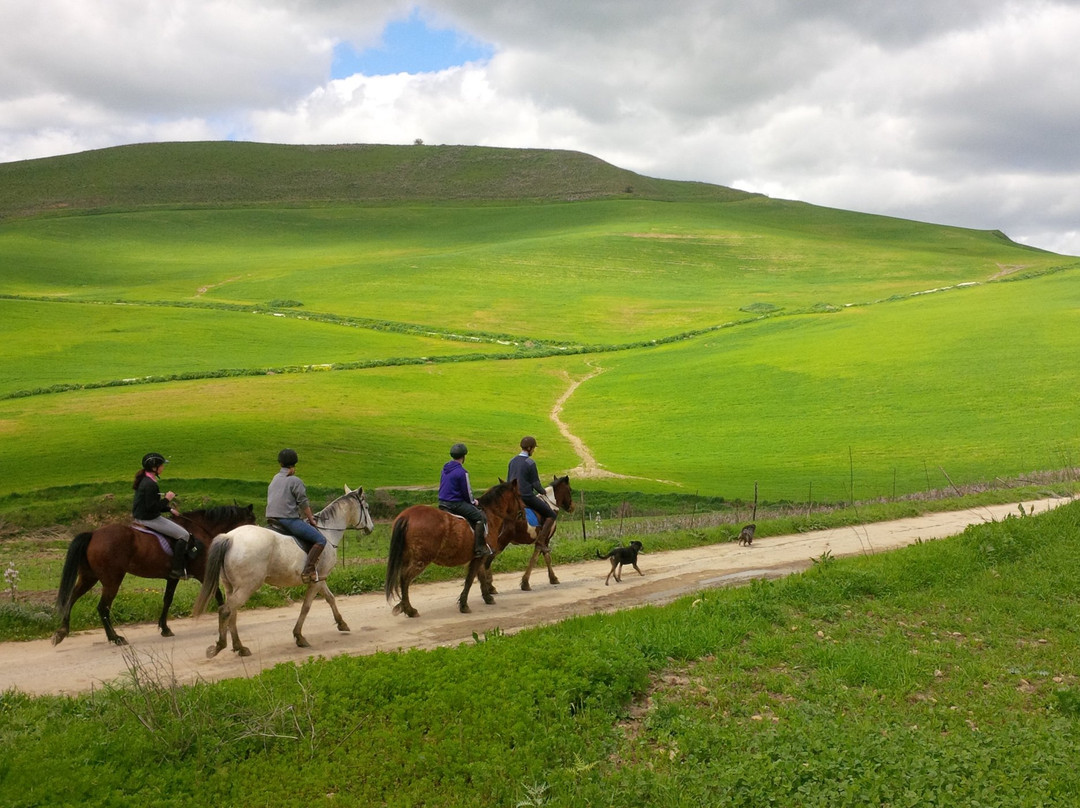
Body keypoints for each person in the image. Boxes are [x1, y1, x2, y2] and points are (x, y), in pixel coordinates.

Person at [267, 448, 326, 583]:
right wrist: (311, 519)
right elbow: (303, 503)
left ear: (280, 463)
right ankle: (308, 570)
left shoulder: (275, 478)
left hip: (272, 518)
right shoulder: (295, 481)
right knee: (320, 540)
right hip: (288, 520)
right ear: (294, 465)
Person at [132, 452, 195, 579]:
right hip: (148, 519)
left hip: (142, 515)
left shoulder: (145, 479)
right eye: (161, 465)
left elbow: (149, 503)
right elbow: (152, 507)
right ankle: (177, 570)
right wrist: (167, 499)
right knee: (184, 535)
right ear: (154, 468)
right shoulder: (150, 484)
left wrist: (169, 509)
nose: (163, 468)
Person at [437, 443, 493, 557]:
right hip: (455, 504)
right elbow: (467, 492)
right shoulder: (462, 472)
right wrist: (473, 502)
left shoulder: (445, 468)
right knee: (479, 517)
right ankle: (480, 548)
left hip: (442, 502)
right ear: (463, 457)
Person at [508, 436, 557, 545]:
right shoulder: (530, 463)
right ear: (529, 448)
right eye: (534, 448)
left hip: (513, 496)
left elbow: (508, 481)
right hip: (526, 496)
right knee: (551, 515)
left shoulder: (512, 461)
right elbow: (536, 484)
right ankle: (541, 540)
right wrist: (543, 491)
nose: (534, 451)